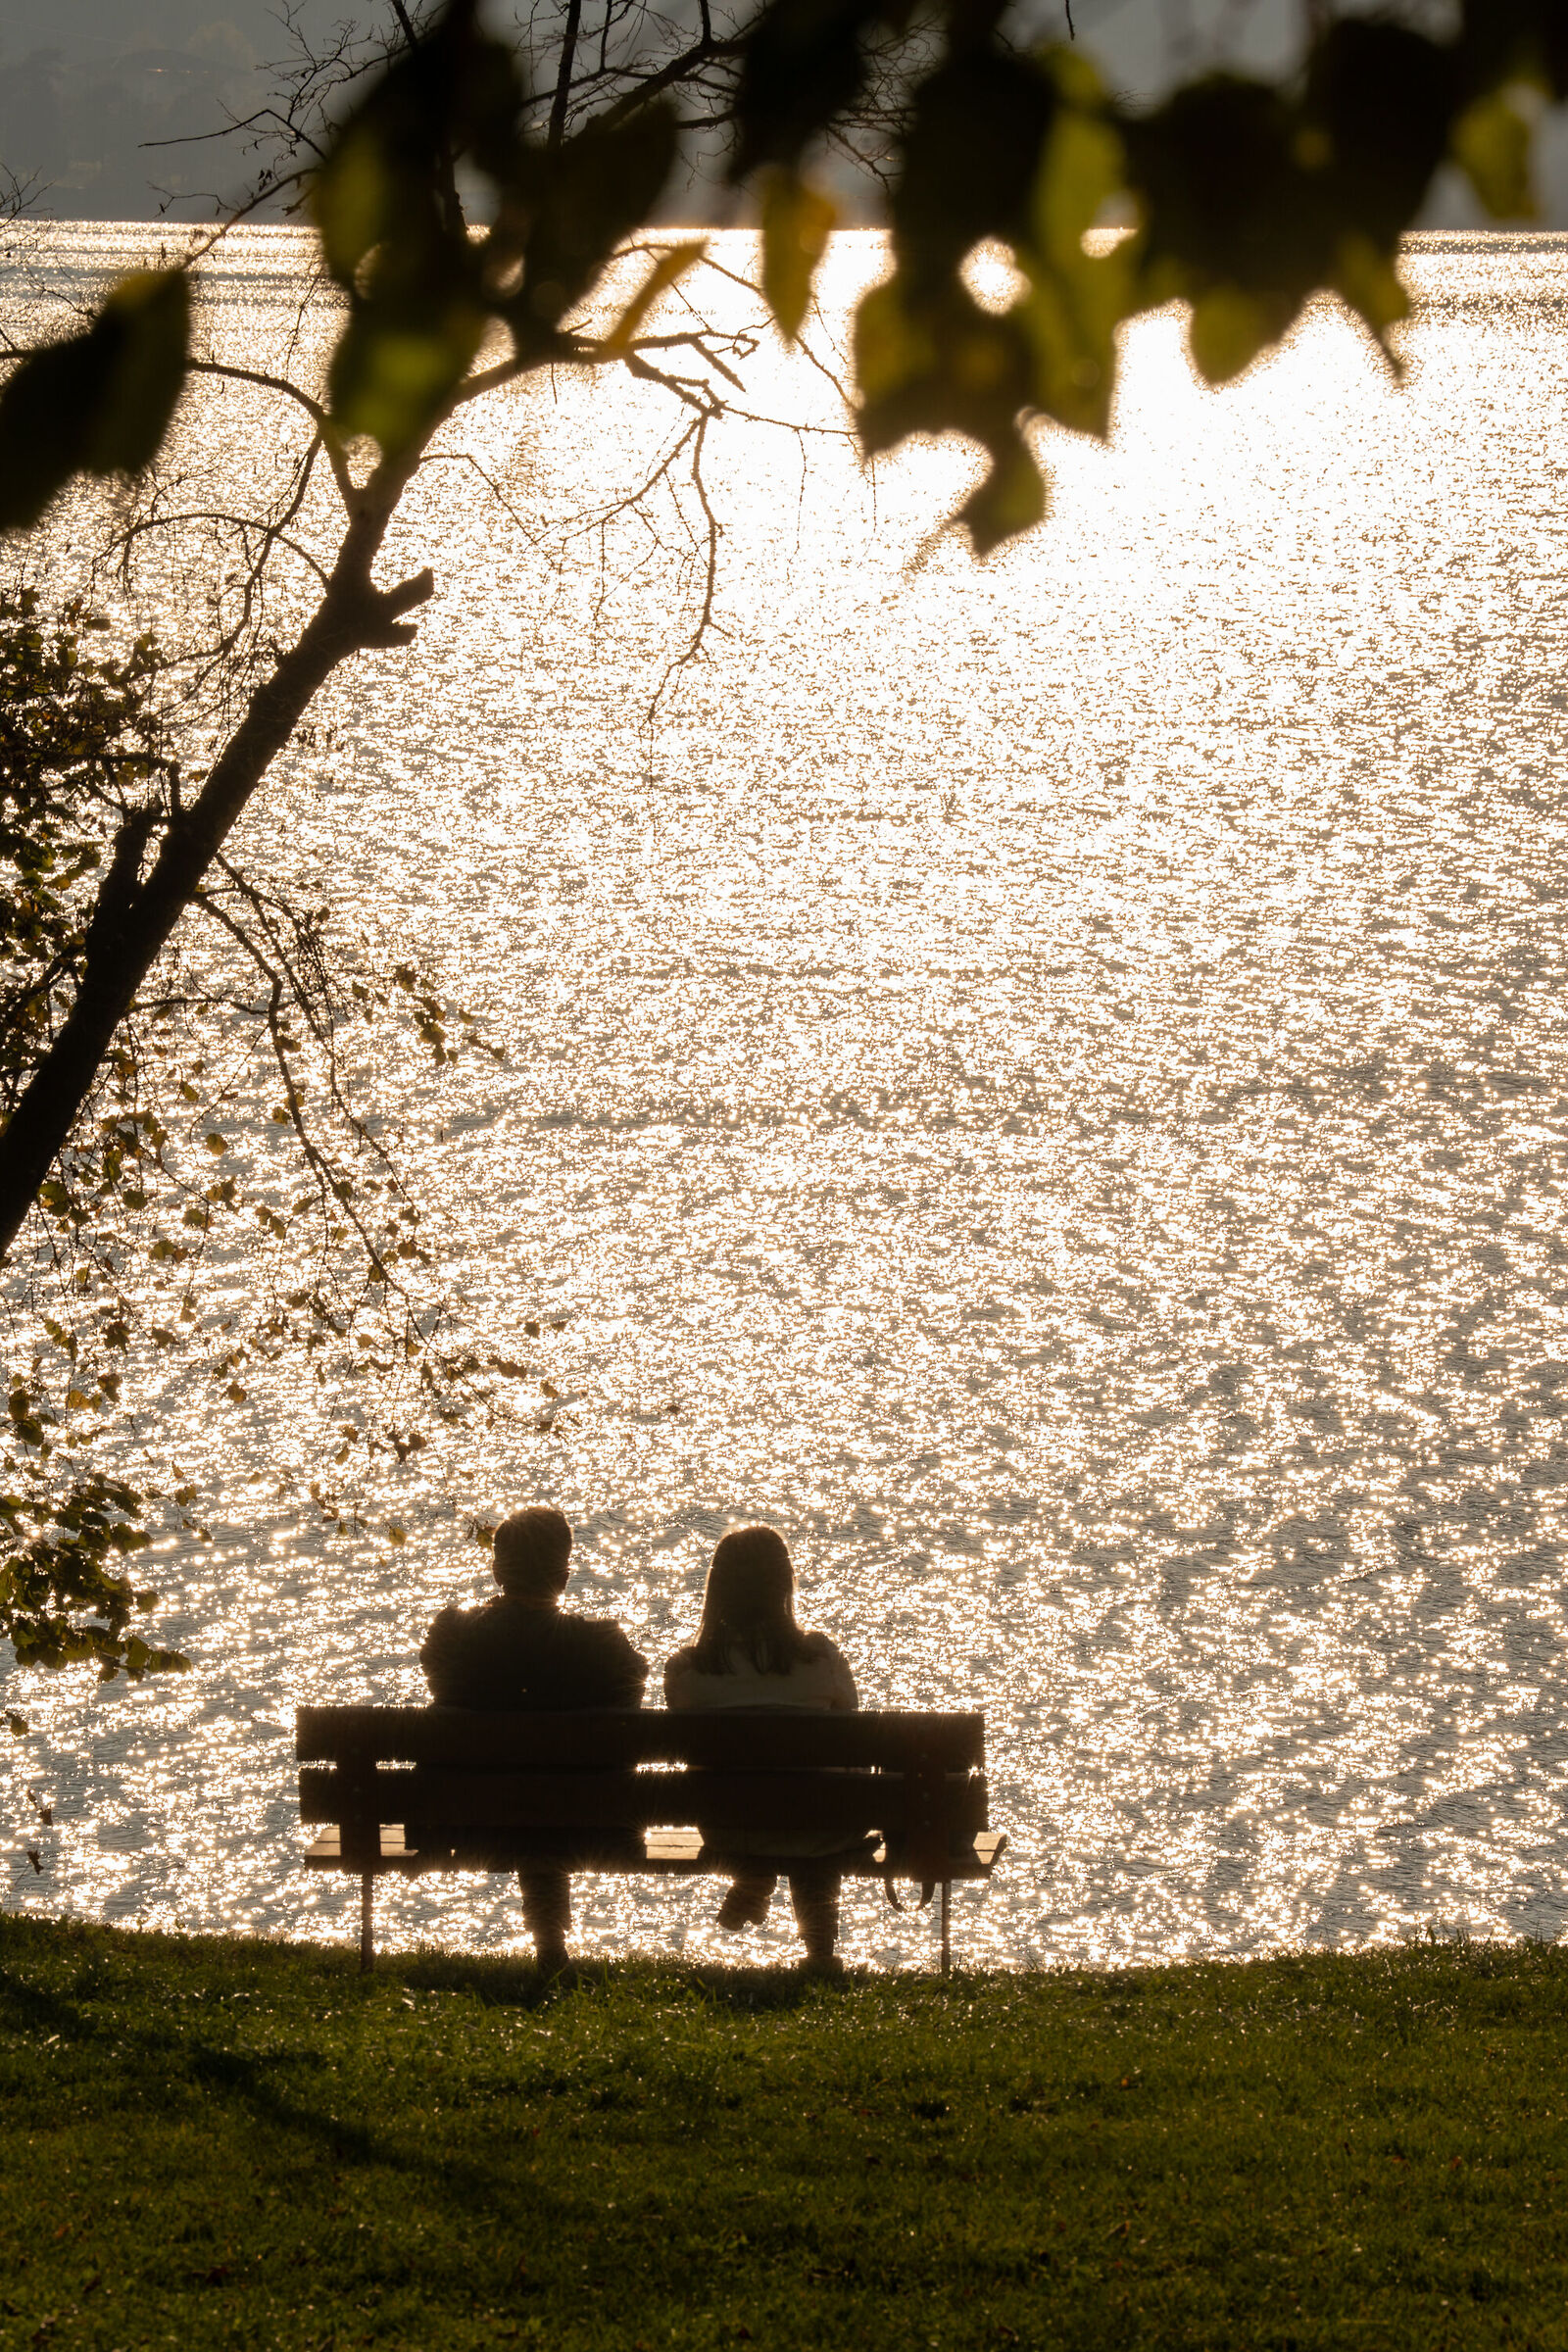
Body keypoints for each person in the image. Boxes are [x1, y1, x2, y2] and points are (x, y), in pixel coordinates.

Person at [419, 1504, 646, 1971]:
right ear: (564, 1572)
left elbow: (439, 1684)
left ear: (498, 1569)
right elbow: (632, 1702)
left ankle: (548, 1942)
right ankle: (549, 1943)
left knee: (528, 1794)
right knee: (547, 1801)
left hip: (459, 1821)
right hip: (592, 1823)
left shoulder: (454, 1632)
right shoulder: (602, 1644)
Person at [663, 1524, 858, 1973]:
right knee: (815, 1815)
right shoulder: (819, 1658)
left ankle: (754, 1873)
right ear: (784, 1585)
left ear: (717, 1590)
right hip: (818, 1825)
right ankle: (820, 1955)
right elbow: (850, 1719)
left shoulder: (687, 1670)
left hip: (730, 1829)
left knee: (768, 1802)